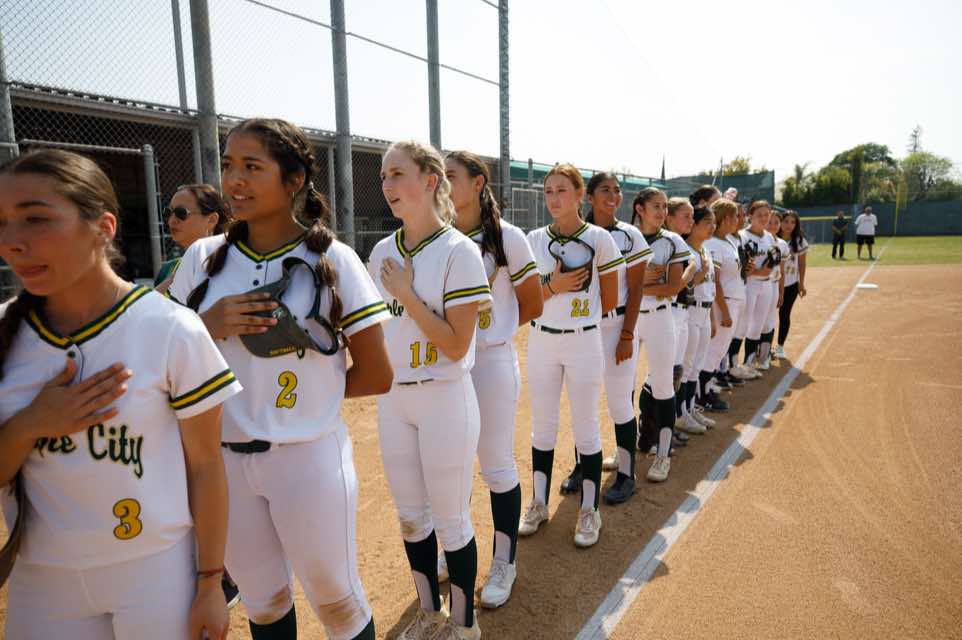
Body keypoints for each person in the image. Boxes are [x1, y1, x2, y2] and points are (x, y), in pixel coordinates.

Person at [0, 149, 241, 639]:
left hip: (156, 571)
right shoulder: (6, 332)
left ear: (103, 227)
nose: (13, 243)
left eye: (36, 219)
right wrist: (32, 424)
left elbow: (205, 466)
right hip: (42, 580)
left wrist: (210, 582)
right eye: (2, 223)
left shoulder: (170, 327)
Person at [170, 118, 392, 640]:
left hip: (307, 458)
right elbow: (166, 358)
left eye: (252, 167)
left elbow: (378, 373)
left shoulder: (332, 259)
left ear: (293, 180)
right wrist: (207, 324)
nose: (235, 179)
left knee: (338, 602)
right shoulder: (203, 257)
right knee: (264, 604)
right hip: (223, 463)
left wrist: (312, 401)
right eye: (229, 165)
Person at [368, 140, 490, 640]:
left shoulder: (459, 251)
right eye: (383, 176)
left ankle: (464, 625)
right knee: (410, 519)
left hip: (444, 394)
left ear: (430, 180)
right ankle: (428, 612)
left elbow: (457, 345)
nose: (387, 184)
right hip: (395, 399)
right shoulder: (381, 252)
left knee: (451, 521)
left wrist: (407, 294)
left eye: (397, 173)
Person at [444, 150, 543, 609]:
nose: (442, 184)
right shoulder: (440, 238)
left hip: (490, 362)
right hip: (448, 365)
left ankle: (504, 561)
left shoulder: (507, 237)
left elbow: (533, 303)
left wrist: (494, 331)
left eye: (451, 176)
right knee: (452, 464)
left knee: (496, 464)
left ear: (478, 182)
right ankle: (456, 548)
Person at [519, 163, 623, 547]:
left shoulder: (599, 238)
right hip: (542, 339)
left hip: (583, 340)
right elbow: (525, 298)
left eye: (562, 190)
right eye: (548, 191)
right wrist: (554, 285)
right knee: (542, 425)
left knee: (586, 426)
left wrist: (577, 307)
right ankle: (539, 503)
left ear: (580, 195)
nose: (554, 198)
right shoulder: (533, 239)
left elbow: (610, 299)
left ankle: (589, 510)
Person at [578, 171, 648, 505]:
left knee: (620, 402)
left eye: (617, 190)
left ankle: (626, 474)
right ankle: (583, 466)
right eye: (605, 189)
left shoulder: (630, 235)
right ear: (589, 197)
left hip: (616, 325)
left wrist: (627, 334)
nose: (613, 195)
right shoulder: (578, 233)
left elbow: (636, 289)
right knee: (583, 402)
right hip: (583, 328)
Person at [634, 188, 696, 483]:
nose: (661, 212)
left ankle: (663, 454)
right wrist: (642, 283)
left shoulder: (672, 240)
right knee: (622, 387)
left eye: (663, 207)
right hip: (628, 318)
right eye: (655, 206)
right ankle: (626, 447)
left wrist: (635, 286)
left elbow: (672, 287)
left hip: (660, 316)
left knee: (662, 384)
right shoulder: (626, 237)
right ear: (640, 209)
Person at [701, 198, 745, 398]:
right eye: (735, 216)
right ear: (726, 218)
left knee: (719, 350)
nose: (738, 220)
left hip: (732, 301)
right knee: (713, 351)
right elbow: (715, 281)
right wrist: (725, 312)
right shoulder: (713, 243)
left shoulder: (728, 240)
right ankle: (703, 394)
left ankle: (707, 388)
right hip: (723, 303)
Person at [680, 206, 718, 433]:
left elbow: (710, 288)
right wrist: (699, 276)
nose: (712, 227)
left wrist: (712, 317)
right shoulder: (685, 250)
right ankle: (681, 414)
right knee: (686, 367)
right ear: (693, 225)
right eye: (707, 223)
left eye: (714, 223)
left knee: (696, 366)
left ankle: (690, 408)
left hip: (704, 312)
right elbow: (683, 286)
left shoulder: (704, 250)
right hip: (691, 311)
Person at [154, 185, 231, 295]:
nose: (172, 220)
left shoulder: (231, 265)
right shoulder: (167, 269)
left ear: (212, 220)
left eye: (181, 213)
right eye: (168, 212)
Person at [737, 201, 778, 369]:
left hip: (766, 285)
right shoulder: (742, 236)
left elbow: (773, 262)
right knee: (742, 324)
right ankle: (731, 365)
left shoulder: (769, 237)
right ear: (750, 216)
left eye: (766, 214)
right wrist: (757, 271)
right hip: (749, 285)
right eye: (759, 214)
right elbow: (741, 268)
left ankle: (749, 363)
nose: (763, 218)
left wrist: (766, 269)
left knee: (757, 325)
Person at [756, 212, 789, 370]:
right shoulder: (759, 240)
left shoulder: (782, 244)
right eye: (770, 222)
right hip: (759, 283)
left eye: (776, 222)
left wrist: (781, 292)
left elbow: (781, 271)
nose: (773, 225)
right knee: (757, 320)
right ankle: (755, 353)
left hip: (774, 284)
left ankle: (765, 355)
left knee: (769, 321)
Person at [776, 210, 809, 358]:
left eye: (793, 222)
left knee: (784, 314)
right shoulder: (772, 238)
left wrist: (801, 284)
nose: (789, 225)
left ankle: (780, 346)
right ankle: (762, 347)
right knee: (766, 316)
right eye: (786, 221)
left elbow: (802, 264)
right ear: (780, 222)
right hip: (773, 283)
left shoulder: (799, 241)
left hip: (791, 284)